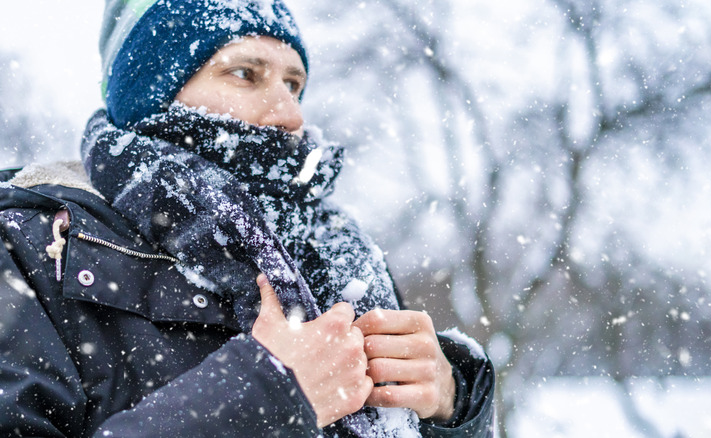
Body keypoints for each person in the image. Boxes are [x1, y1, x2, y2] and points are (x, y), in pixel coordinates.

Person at [0, 1, 494, 436]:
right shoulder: (32, 246)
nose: (290, 114)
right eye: (245, 73)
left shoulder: (336, 254)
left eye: (294, 83)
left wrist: (451, 404)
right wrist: (267, 398)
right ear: (152, 90)